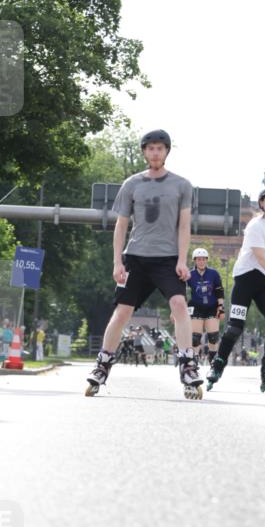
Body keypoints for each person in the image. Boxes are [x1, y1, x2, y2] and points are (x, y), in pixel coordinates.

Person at [85, 129, 203, 398]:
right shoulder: (132, 184)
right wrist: (118, 262)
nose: (155, 153)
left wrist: (182, 260)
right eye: (150, 148)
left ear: (167, 152)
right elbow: (121, 225)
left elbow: (184, 225)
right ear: (144, 152)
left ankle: (188, 365)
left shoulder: (182, 185)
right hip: (136, 258)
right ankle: (102, 365)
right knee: (122, 312)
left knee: (179, 304)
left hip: (167, 259)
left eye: (160, 148)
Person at [207, 185, 265, 392]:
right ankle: (217, 365)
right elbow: (261, 257)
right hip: (246, 278)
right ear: (262, 203)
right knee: (235, 326)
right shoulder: (254, 225)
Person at [187, 248, 225, 364]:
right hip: (196, 307)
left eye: (203, 259)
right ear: (195, 261)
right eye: (199, 259)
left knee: (213, 337)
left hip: (212, 307)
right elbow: (181, 291)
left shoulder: (213, 273)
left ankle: (212, 359)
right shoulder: (190, 274)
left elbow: (219, 290)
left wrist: (221, 307)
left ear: (206, 260)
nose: (201, 262)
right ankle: (194, 360)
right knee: (195, 338)